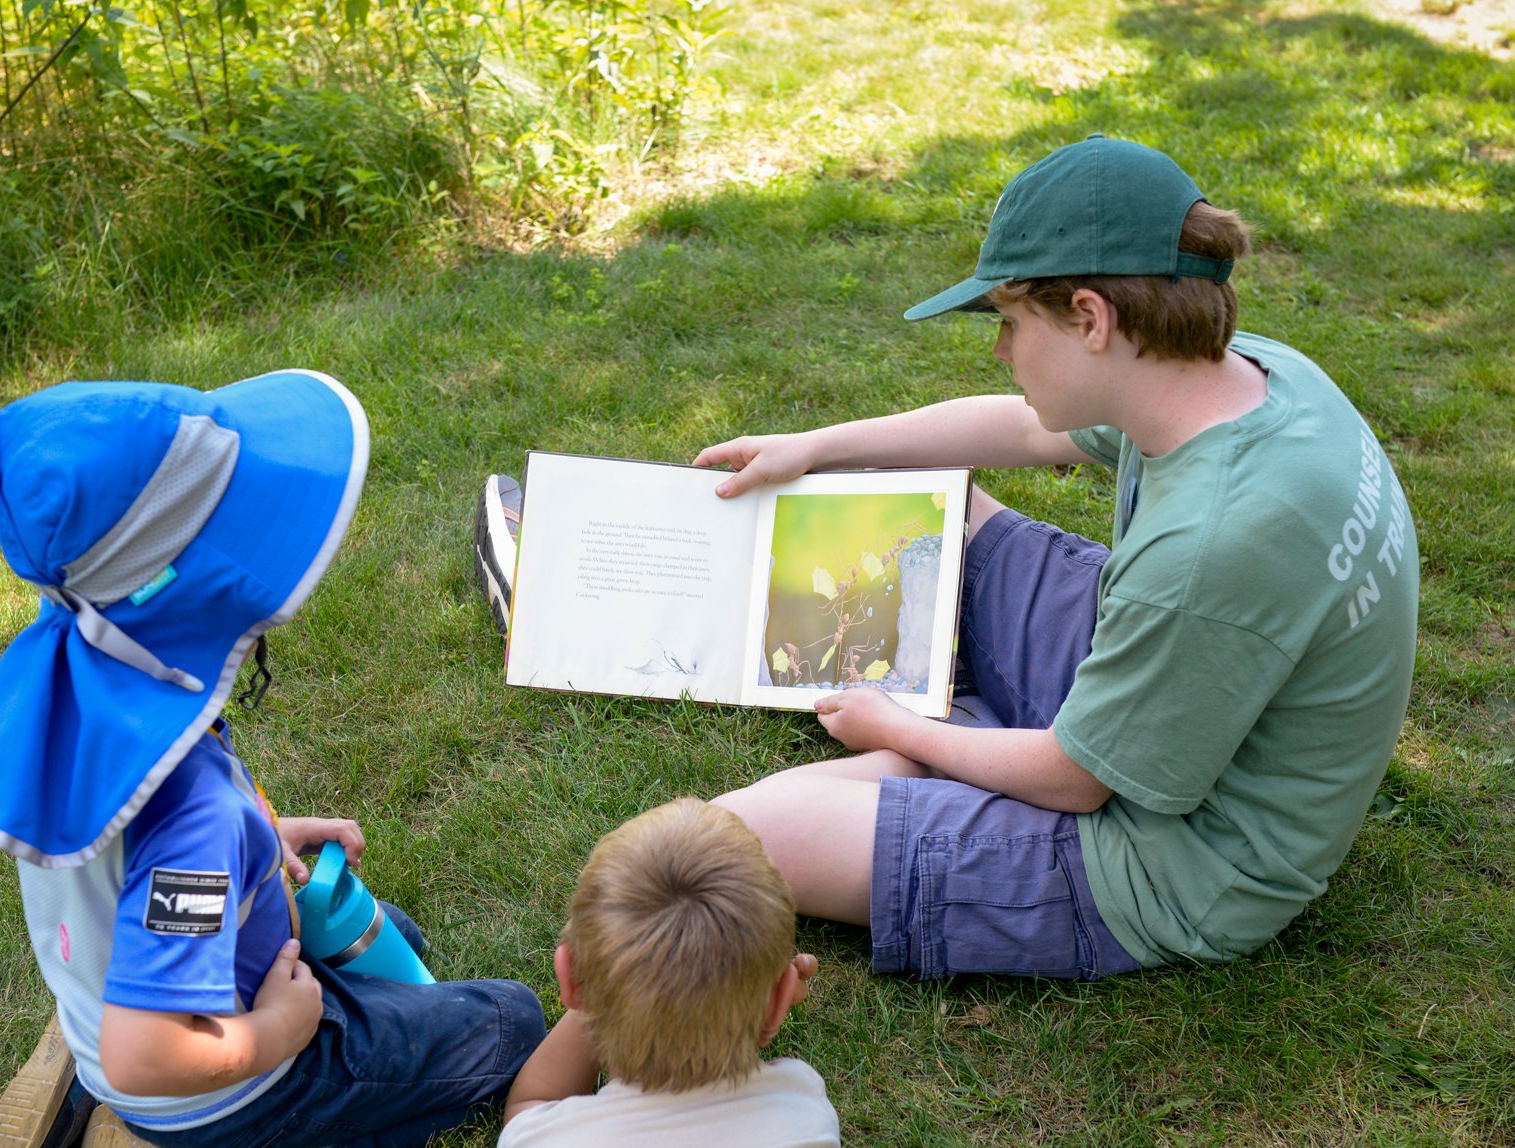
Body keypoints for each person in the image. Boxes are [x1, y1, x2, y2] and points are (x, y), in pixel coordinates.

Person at [476, 133, 1418, 980]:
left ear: (1092, 318)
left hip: (1164, 858)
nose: (1003, 350)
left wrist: (902, 731)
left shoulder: (1210, 548)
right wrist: (818, 446)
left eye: (1011, 322)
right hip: (1172, 702)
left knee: (723, 842)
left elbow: (1078, 779)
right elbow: (1016, 429)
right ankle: (618, 591)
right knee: (936, 501)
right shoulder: (1246, 374)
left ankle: (939, 728)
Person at [0, 372, 545, 1148]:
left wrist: (262, 838)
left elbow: (130, 846)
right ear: (190, 590)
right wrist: (276, 1034)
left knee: (395, 940)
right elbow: (148, 1045)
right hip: (210, 1081)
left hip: (125, 985)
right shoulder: (194, 827)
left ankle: (85, 1051)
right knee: (509, 1025)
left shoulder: (81, 673)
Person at [496, 798, 859, 1148]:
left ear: (568, 980)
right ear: (781, 1002)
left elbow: (533, 1102)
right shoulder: (801, 1103)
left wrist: (601, 989)